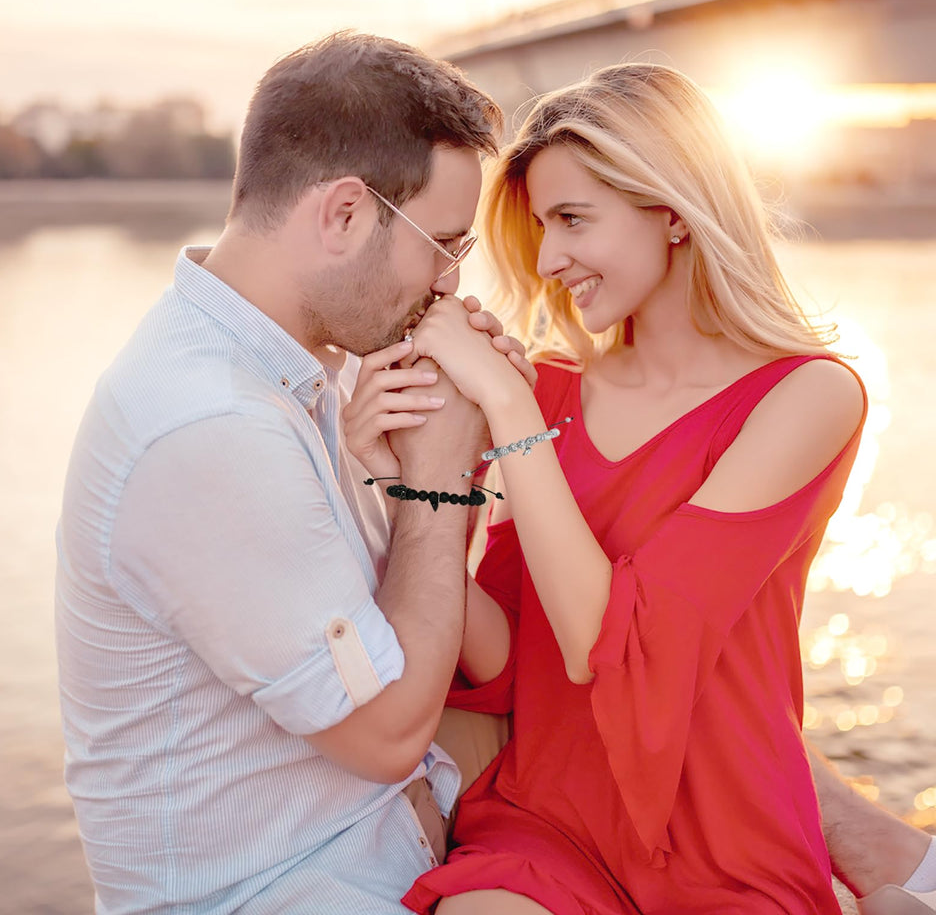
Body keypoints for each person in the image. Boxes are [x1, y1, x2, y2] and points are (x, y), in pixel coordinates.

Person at [340, 63, 936, 913]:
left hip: (722, 839)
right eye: (542, 225)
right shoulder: (549, 389)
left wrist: (506, 406)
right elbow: (517, 655)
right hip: (549, 822)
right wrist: (408, 489)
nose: (548, 258)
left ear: (673, 211)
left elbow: (614, 647)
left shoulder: (806, 397)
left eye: (575, 219)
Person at [54, 31, 532, 914]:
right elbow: (387, 733)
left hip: (394, 845)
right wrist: (436, 483)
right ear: (345, 213)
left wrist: (407, 468)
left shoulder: (309, 367)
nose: (449, 285)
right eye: (445, 245)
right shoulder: (207, 423)